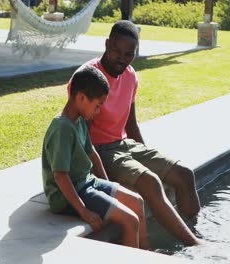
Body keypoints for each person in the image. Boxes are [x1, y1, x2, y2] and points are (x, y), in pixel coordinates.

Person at [68, 20, 201, 246]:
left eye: (129, 54)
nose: (121, 58)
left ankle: (194, 231)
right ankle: (195, 247)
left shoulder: (130, 76)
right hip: (100, 150)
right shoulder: (88, 77)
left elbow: (131, 126)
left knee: (184, 174)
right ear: (107, 44)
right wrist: (97, 178)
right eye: (115, 51)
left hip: (123, 145)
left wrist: (146, 155)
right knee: (150, 182)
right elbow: (80, 135)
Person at [42, 65, 150, 249]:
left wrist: (109, 187)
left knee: (137, 202)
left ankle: (148, 252)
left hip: (87, 183)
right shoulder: (63, 128)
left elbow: (92, 154)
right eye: (97, 106)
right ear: (82, 98)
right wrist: (84, 211)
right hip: (69, 195)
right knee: (131, 221)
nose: (98, 111)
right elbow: (60, 176)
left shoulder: (79, 120)